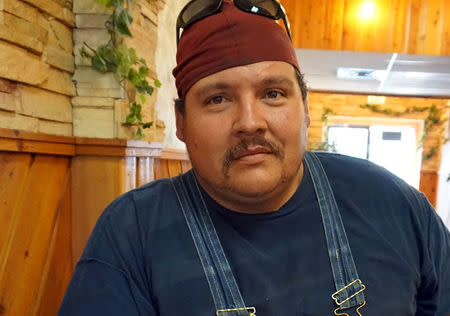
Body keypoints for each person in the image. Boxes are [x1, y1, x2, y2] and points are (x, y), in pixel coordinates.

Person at [58, 0, 450, 315]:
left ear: (306, 108)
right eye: (217, 99)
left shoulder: (393, 204)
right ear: (181, 122)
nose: (250, 122)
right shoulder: (131, 234)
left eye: (273, 93)